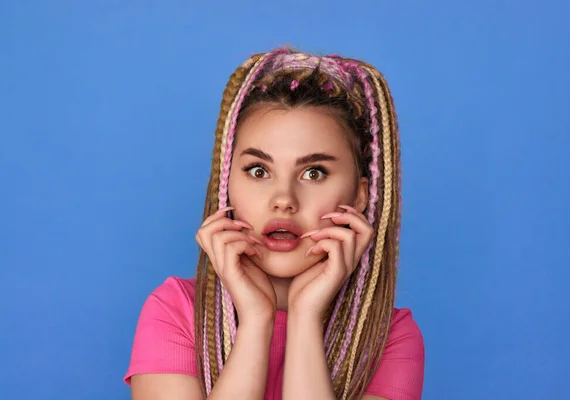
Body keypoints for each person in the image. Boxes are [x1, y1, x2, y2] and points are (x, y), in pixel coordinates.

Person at [124, 47, 425, 400]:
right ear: (226, 183)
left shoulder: (389, 337)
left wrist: (305, 318)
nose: (283, 198)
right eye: (259, 170)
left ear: (360, 196)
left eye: (314, 173)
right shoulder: (174, 310)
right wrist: (255, 320)